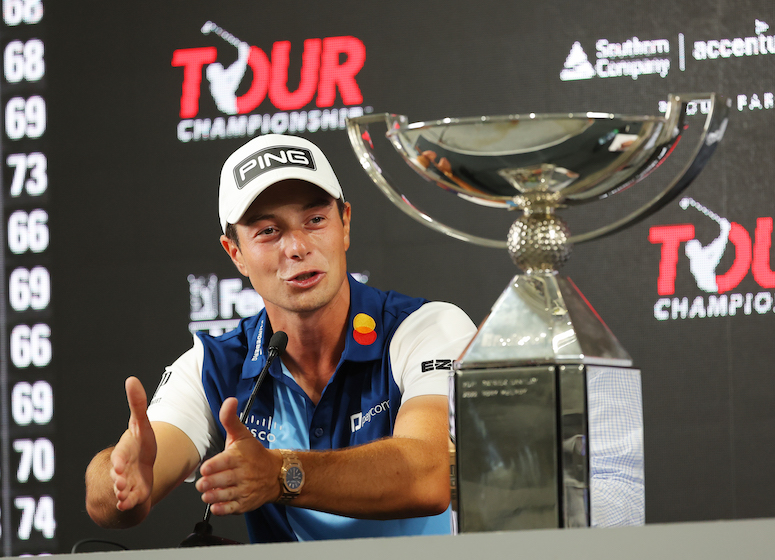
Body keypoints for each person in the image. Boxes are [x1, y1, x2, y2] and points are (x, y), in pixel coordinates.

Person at [84, 133, 477, 543]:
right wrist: (121, 476)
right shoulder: (215, 364)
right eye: (269, 230)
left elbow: (427, 476)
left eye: (315, 220)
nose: (297, 247)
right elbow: (108, 503)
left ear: (344, 224)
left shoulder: (427, 328)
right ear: (234, 253)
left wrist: (279, 474)